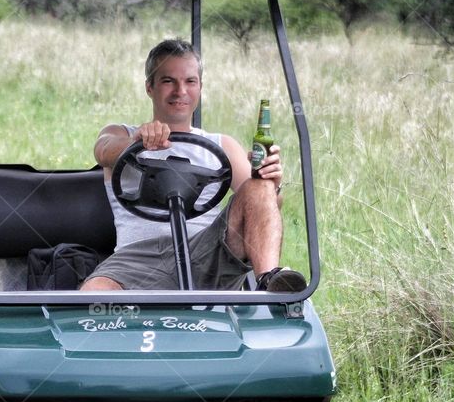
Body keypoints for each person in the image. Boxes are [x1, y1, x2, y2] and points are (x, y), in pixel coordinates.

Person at [80, 38, 306, 293]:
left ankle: (268, 281)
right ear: (149, 87)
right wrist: (137, 142)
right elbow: (103, 150)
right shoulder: (122, 135)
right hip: (137, 259)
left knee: (260, 186)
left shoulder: (222, 145)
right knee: (95, 293)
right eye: (168, 81)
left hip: (205, 254)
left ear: (199, 87)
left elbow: (265, 203)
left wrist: (270, 183)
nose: (180, 91)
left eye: (190, 81)